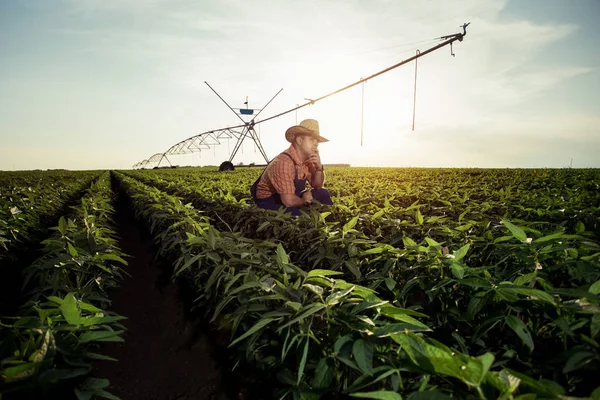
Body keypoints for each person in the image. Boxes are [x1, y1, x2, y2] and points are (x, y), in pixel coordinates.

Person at [250, 119, 333, 216]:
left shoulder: (307, 160)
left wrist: (319, 168)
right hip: (269, 202)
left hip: (290, 196)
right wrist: (304, 200)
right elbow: (288, 202)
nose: (316, 143)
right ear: (299, 140)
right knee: (301, 215)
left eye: (317, 140)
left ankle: (330, 220)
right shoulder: (283, 163)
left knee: (323, 193)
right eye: (312, 139)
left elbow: (317, 185)